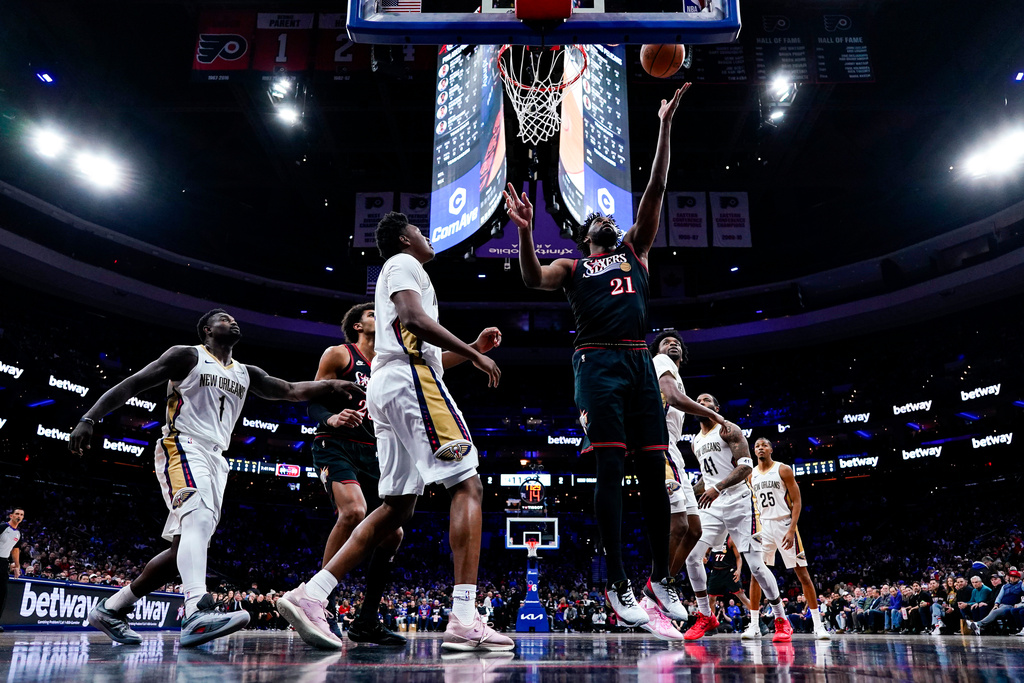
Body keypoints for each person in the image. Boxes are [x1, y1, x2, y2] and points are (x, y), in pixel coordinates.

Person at [507, 85, 699, 629]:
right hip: (596, 365)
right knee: (611, 469)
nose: (602, 220)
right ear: (584, 235)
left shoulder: (636, 248)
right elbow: (531, 278)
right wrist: (524, 234)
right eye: (593, 220)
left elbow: (657, 186)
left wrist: (663, 124)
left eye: (605, 218)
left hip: (639, 361)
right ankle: (617, 580)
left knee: (653, 472)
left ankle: (659, 576)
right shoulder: (571, 267)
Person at [278, 212, 513, 653]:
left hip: (392, 386)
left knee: (396, 509)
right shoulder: (404, 264)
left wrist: (472, 350)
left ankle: (312, 595)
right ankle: (464, 616)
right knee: (467, 484)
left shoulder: (402, 275)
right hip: (411, 381)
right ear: (406, 238)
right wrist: (474, 355)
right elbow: (413, 320)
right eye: (421, 232)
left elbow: (422, 347)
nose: (427, 238)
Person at [69, 309, 362, 647]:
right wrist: (89, 417)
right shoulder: (187, 355)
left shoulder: (245, 372)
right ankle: (195, 610)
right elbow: (133, 382)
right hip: (183, 444)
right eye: (224, 319)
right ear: (207, 330)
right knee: (198, 519)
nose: (233, 321)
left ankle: (112, 608)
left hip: (215, 457)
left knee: (184, 546)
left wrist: (332, 385)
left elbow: (292, 390)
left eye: (234, 319)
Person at [308, 301, 405, 646]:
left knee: (393, 535)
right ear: (358, 326)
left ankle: (366, 621)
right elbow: (312, 397)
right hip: (334, 442)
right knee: (353, 511)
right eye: (372, 314)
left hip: (373, 450)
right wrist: (331, 417)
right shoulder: (339, 354)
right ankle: (319, 604)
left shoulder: (389, 362)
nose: (380, 317)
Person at [682, 394, 792, 642]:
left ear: (716, 408)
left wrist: (717, 488)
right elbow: (706, 479)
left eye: (707, 400)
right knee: (692, 557)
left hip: (740, 502)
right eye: (698, 400)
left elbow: (745, 467)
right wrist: (688, 491)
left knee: (756, 566)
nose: (701, 402)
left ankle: (781, 618)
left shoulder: (728, 429)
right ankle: (706, 615)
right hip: (713, 503)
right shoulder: (695, 441)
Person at [644, 330, 729, 636]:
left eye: (676, 341)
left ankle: (659, 588)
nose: (673, 343)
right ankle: (655, 590)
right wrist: (715, 416)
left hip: (675, 453)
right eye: (667, 340)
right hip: (660, 449)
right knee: (678, 526)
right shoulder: (660, 361)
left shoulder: (677, 374)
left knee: (694, 529)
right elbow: (675, 398)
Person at [744, 437, 830, 640]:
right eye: (757, 446)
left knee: (803, 575)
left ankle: (818, 625)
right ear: (754, 451)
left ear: (771, 449)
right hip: (763, 527)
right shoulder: (751, 475)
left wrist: (792, 529)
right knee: (756, 574)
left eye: (764, 445)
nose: (760, 448)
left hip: (784, 525)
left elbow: (797, 501)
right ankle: (754, 625)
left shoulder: (783, 469)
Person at [0, 507, 25, 633]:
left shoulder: (18, 533)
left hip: (4, 562)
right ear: (11, 515)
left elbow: (15, 550)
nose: (18, 516)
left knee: (2, 593)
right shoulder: (3, 527)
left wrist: (17, 566)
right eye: (16, 514)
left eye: (21, 514)